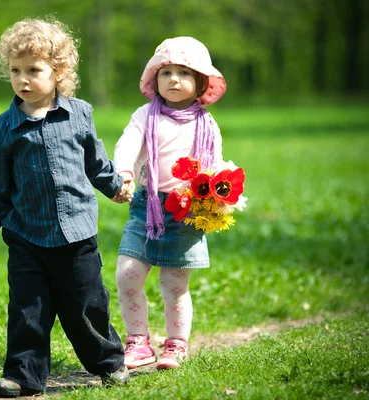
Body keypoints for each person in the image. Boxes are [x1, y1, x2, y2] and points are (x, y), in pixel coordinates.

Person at [0, 17, 133, 398]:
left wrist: (114, 187)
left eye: (33, 70)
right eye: (15, 71)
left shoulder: (79, 114)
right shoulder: (3, 129)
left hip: (76, 233)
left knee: (86, 305)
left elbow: (96, 162)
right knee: (28, 310)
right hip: (26, 234)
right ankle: (23, 376)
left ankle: (109, 363)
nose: (22, 80)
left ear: (58, 71)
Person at [113, 36, 228, 370]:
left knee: (175, 283)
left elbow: (215, 165)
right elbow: (128, 143)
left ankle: (176, 345)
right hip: (146, 205)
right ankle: (138, 341)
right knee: (128, 272)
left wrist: (219, 195)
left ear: (201, 83)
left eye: (184, 73)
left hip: (187, 210)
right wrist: (123, 171)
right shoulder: (146, 115)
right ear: (155, 79)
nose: (174, 80)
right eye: (166, 73)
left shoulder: (206, 125)